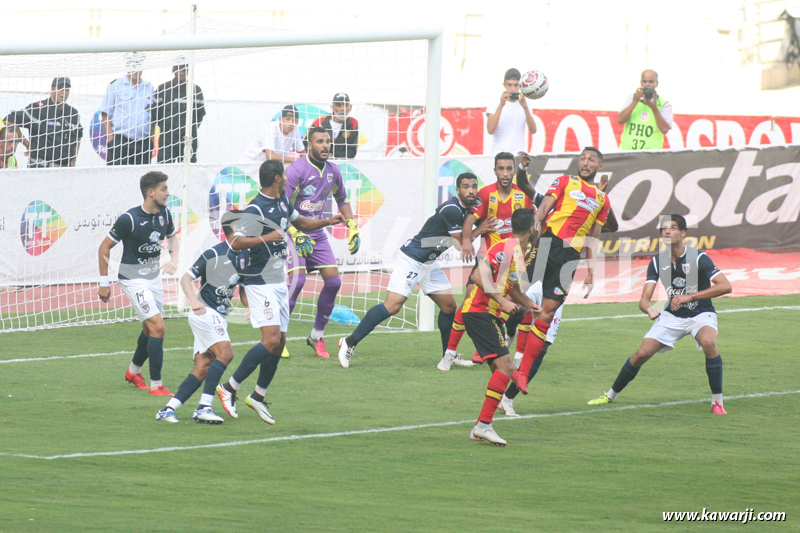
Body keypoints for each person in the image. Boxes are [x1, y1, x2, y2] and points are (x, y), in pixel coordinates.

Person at [215, 160, 344, 424]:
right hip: (259, 282)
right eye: (283, 174)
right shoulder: (255, 208)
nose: (287, 177)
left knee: (280, 342)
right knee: (271, 340)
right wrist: (266, 238)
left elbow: (302, 222)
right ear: (276, 178)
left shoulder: (283, 202)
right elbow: (236, 242)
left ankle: (258, 396)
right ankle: (229, 387)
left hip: (277, 281)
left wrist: (328, 221)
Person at [588, 214, 732, 414]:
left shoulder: (698, 257)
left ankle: (717, 402)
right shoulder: (657, 261)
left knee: (709, 343)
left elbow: (725, 286)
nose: (667, 231)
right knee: (641, 354)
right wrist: (649, 308)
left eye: (672, 228)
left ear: (683, 233)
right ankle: (610, 395)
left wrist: (689, 297)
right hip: (672, 316)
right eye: (664, 228)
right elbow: (643, 299)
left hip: (701, 314)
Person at [336, 173, 480, 369]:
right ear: (458, 190)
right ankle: (349, 342)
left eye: (474, 186)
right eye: (466, 186)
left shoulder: (471, 207)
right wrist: (481, 229)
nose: (471, 190)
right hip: (412, 259)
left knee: (448, 306)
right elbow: (458, 244)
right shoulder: (452, 209)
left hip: (428, 263)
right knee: (393, 306)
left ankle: (449, 355)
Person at [514, 147, 611, 395]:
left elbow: (594, 237)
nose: (585, 162)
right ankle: (492, 335)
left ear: (600, 166)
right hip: (548, 243)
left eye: (591, 159)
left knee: (547, 313)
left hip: (570, 257)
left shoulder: (602, 199)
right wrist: (536, 225)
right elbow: (544, 206)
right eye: (583, 158)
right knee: (517, 292)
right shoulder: (566, 181)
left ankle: (522, 371)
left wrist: (591, 272)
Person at [438, 152, 533, 371]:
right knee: (470, 302)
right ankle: (449, 353)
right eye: (501, 169)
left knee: (516, 303)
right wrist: (466, 241)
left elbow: (532, 223)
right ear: (495, 171)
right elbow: (469, 220)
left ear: (513, 170)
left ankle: (509, 347)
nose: (505, 173)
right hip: (489, 257)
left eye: (509, 168)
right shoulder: (486, 194)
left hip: (513, 260)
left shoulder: (522, 195)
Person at [156, 210, 248, 424]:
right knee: (225, 354)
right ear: (235, 228)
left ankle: (168, 409)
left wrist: (248, 306)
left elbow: (243, 285)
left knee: (203, 367)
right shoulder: (214, 253)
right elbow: (186, 278)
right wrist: (193, 300)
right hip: (205, 312)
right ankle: (204, 407)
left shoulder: (245, 254)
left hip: (219, 316)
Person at [97, 171, 179, 396]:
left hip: (153, 278)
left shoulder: (165, 214)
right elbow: (104, 247)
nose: (168, 193)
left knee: (149, 329)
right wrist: (104, 282)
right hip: (132, 279)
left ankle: (133, 372)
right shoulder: (129, 219)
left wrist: (174, 259)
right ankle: (157, 385)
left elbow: (172, 236)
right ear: (151, 192)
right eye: (164, 189)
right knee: (158, 327)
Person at [465, 208, 540, 446]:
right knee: (506, 367)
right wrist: (503, 301)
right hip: (479, 312)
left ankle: (481, 426)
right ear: (532, 229)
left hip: (488, 315)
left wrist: (529, 304)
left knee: (500, 368)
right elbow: (478, 277)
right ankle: (483, 426)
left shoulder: (517, 252)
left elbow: (513, 288)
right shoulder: (505, 248)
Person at [284, 126, 360, 359]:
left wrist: (352, 225)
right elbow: (280, 207)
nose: (325, 145)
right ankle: (278, 337)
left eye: (327, 141)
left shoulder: (333, 171)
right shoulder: (295, 171)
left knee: (334, 282)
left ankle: (317, 336)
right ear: (309, 145)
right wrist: (294, 232)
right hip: (293, 233)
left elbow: (341, 198)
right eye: (320, 141)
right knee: (297, 282)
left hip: (316, 233)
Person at [3, 77, 83, 167]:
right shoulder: (39, 109)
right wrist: (25, 142)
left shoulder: (72, 113)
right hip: (40, 168)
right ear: (52, 89)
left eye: (66, 89)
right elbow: (8, 120)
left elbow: (79, 134)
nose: (64, 92)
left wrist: (74, 159)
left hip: (63, 169)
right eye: (60, 88)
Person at [99, 52, 154, 165]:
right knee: (116, 175)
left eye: (138, 65)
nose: (135, 69)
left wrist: (151, 139)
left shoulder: (149, 88)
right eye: (132, 65)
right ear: (127, 65)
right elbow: (106, 113)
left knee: (142, 176)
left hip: (143, 144)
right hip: (120, 142)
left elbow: (153, 116)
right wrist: (111, 139)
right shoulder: (115, 85)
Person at [151, 62, 206, 163]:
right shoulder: (163, 89)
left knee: (189, 170)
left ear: (188, 71)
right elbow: (155, 114)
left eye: (184, 70)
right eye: (178, 69)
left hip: (188, 141)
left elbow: (200, 115)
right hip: (167, 141)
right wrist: (166, 128)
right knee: (164, 170)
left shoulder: (196, 90)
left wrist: (189, 129)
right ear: (173, 70)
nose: (181, 73)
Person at [618, 69, 673, 150]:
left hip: (651, 153)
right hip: (627, 151)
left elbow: (664, 129)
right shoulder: (632, 98)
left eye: (651, 82)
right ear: (641, 83)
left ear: (656, 83)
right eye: (644, 81)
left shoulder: (664, 104)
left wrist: (654, 108)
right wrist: (635, 101)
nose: (647, 85)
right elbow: (620, 120)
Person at [486, 68, 537, 154]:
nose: (512, 89)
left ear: (520, 85)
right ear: (504, 85)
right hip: (500, 154)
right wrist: (501, 105)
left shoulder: (524, 104)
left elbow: (533, 130)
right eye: (509, 85)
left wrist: (525, 108)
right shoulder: (495, 103)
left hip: (518, 154)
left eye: (516, 85)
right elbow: (490, 130)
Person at [305, 92, 359, 159]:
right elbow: (305, 144)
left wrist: (332, 155)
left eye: (345, 105)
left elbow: (352, 152)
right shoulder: (319, 122)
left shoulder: (354, 123)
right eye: (338, 105)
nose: (342, 109)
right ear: (332, 107)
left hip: (342, 163)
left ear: (350, 107)